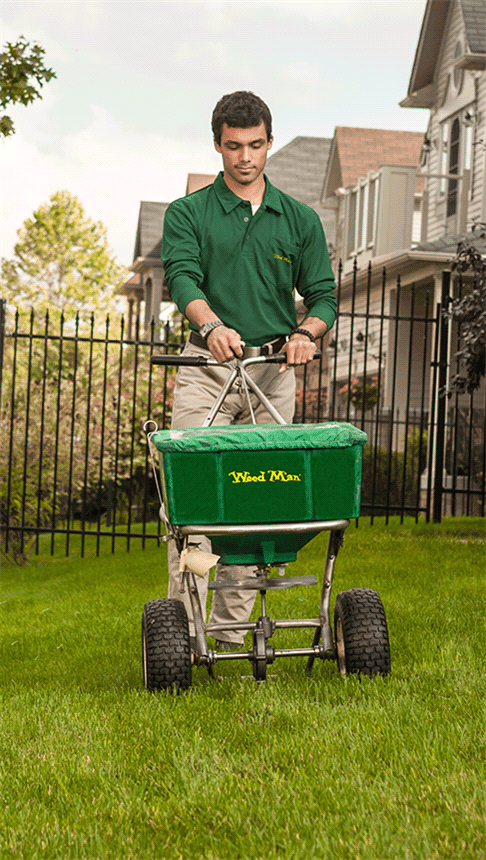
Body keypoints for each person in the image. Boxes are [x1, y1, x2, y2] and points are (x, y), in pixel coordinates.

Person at [161, 90, 336, 650]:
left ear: (269, 143)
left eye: (255, 145)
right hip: (206, 369)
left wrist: (307, 334)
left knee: (256, 501)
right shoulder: (188, 213)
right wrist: (212, 326)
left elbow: (325, 295)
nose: (245, 157)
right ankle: (184, 634)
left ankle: (232, 634)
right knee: (193, 504)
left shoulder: (299, 219)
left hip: (270, 371)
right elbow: (182, 277)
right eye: (233, 146)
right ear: (217, 145)